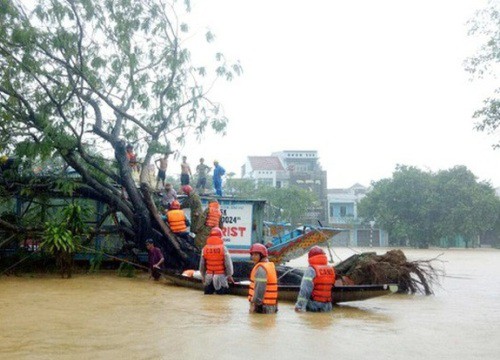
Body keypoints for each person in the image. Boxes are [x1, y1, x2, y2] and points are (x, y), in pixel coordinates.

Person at [294, 246, 336, 313]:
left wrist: (299, 306)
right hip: (327, 306)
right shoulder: (330, 269)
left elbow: (305, 290)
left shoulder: (311, 269)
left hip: (314, 305)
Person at [199, 227, 234, 294]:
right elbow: (228, 264)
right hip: (220, 278)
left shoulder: (205, 249)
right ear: (220, 237)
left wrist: (203, 277)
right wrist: (229, 275)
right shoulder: (223, 249)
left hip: (208, 278)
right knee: (221, 300)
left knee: (207, 300)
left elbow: (202, 266)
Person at [248, 243, 278, 314]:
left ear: (261, 255)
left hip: (262, 306)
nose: (253, 257)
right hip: (271, 305)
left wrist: (254, 305)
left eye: (255, 255)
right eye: (252, 255)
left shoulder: (261, 269)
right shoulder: (269, 266)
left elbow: (260, 288)